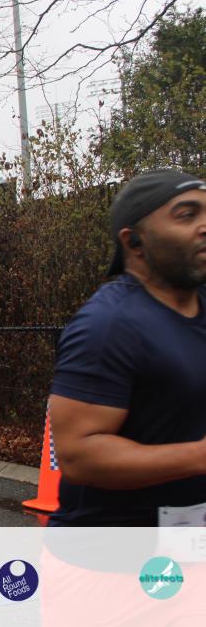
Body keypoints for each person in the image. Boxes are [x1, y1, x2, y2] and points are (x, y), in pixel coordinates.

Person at [49, 169, 206, 526]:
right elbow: (78, 456)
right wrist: (198, 456)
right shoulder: (109, 325)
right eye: (186, 215)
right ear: (134, 242)